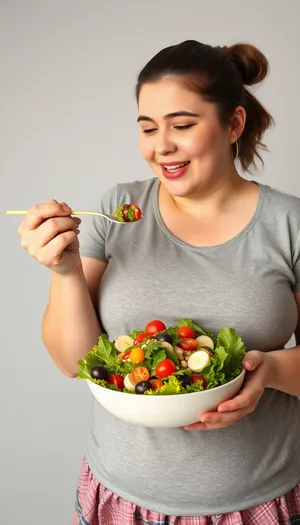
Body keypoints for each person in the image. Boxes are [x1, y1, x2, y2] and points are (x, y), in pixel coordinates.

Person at [17, 40, 300, 525]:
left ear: (234, 123)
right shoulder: (118, 210)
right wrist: (62, 271)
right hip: (122, 500)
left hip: (258, 501)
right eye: (147, 128)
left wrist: (267, 371)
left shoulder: (288, 224)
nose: (160, 146)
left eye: (182, 126)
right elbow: (72, 362)